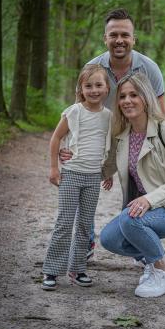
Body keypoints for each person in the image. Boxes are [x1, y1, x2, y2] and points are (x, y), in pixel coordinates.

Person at [60, 8, 165, 258]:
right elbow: (77, 111)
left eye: (125, 35)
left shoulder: (150, 69)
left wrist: (161, 148)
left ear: (133, 38)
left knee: (139, 194)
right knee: (81, 186)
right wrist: (67, 145)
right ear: (105, 38)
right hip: (98, 139)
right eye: (114, 34)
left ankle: (143, 249)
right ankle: (85, 243)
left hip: (136, 138)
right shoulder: (91, 67)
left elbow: (161, 114)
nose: (119, 40)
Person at [100, 73, 165, 298]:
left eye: (133, 95)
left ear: (146, 98)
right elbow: (105, 167)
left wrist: (149, 199)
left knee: (130, 219)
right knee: (109, 239)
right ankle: (157, 255)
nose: (127, 100)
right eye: (123, 96)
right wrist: (69, 154)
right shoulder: (123, 136)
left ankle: (164, 273)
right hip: (148, 210)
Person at [42, 64, 112, 291]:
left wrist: (108, 172)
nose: (94, 90)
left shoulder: (109, 117)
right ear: (81, 89)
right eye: (88, 86)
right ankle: (51, 270)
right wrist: (54, 168)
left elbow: (110, 146)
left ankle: (78, 268)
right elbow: (56, 138)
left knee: (85, 224)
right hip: (71, 174)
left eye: (98, 85)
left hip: (93, 177)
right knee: (64, 222)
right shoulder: (74, 111)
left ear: (107, 88)